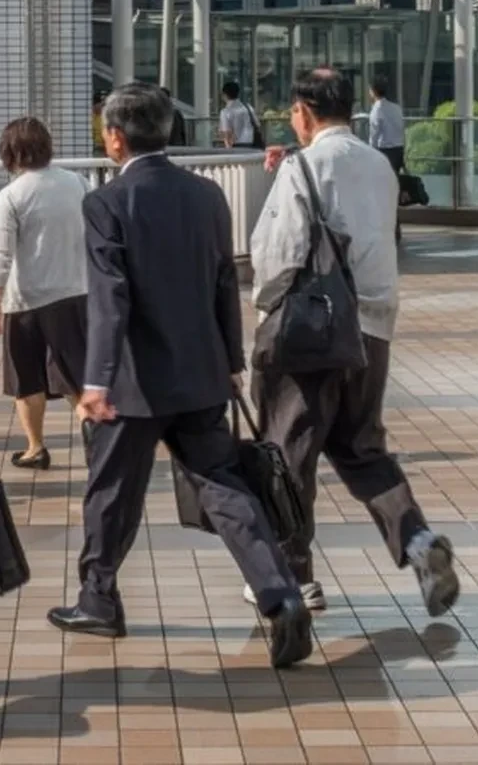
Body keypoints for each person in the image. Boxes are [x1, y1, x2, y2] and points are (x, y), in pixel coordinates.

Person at [47, 83, 312, 670]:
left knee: (112, 491)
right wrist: (232, 362)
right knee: (222, 485)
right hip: (199, 372)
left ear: (114, 136)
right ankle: (281, 595)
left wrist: (97, 379)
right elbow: (225, 282)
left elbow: (110, 299)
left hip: (132, 384)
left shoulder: (107, 203)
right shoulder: (206, 196)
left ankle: (98, 600)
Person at [249, 67, 459, 617]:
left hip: (312, 331)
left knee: (289, 451)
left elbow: (280, 254)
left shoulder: (303, 165)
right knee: (362, 446)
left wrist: (262, 305)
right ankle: (417, 542)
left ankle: (296, 577)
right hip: (373, 326)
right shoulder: (378, 166)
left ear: (304, 112)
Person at [0, 117, 88, 470]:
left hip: (26, 299)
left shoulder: (12, 195)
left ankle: (35, 447)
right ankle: (97, 438)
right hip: (75, 291)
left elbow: (2, 253)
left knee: (25, 376)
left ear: (10, 152)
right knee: (75, 373)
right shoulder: (78, 182)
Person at [369, 74, 407, 243]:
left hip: (384, 152)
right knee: (393, 189)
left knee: (382, 192)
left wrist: (369, 155)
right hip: (398, 150)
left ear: (373, 91)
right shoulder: (396, 108)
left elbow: (374, 136)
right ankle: (395, 227)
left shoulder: (377, 109)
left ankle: (389, 227)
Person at [218, 81, 260, 149]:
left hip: (237, 145)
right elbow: (257, 125)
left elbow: (227, 133)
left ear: (224, 95)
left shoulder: (225, 112)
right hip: (253, 144)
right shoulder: (248, 107)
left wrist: (228, 148)